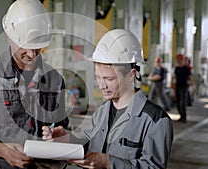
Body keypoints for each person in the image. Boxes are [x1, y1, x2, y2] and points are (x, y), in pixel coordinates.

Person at [0, 0, 69, 168]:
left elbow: (62, 129)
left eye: (37, 47)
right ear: (8, 36)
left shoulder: (55, 80)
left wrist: (61, 136)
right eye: (25, 46)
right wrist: (3, 151)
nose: (31, 54)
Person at [43, 29, 174, 169]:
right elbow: (86, 143)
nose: (101, 85)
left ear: (131, 75)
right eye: (98, 77)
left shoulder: (156, 120)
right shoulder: (101, 112)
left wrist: (108, 163)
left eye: (109, 79)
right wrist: (66, 138)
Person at [174, 54, 193, 123]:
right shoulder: (177, 68)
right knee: (178, 102)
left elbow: (190, 78)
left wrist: (191, 85)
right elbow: (175, 77)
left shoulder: (186, 69)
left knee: (183, 102)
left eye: (180, 60)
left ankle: (184, 117)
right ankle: (181, 116)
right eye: (178, 60)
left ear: (183, 60)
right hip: (178, 86)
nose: (179, 61)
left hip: (184, 87)